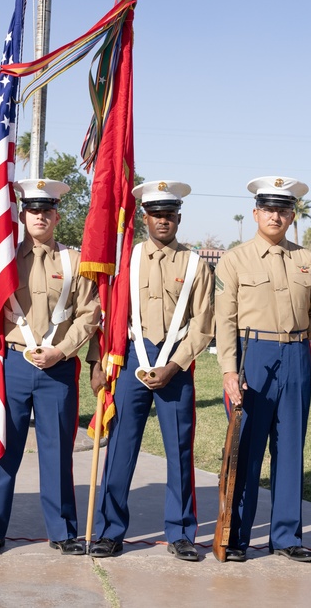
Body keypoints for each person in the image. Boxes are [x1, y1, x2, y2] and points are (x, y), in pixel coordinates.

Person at [87, 181, 214, 560]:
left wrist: (175, 365)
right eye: (156, 214)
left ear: (178, 217)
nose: (163, 221)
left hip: (176, 363)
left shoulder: (196, 265)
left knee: (179, 451)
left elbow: (204, 324)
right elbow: (103, 314)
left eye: (170, 215)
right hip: (129, 361)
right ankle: (110, 531)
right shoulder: (126, 259)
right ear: (144, 218)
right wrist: (97, 362)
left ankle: (181, 533)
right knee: (121, 449)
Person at [0, 179, 99, 556]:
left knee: (57, 451)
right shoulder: (4, 260)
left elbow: (89, 313)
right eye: (32, 210)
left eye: (47, 210)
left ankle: (62, 532)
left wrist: (61, 351)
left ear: (57, 216)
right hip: (11, 364)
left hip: (57, 370)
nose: (39, 216)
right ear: (22, 215)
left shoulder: (73, 262)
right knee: (1, 449)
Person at [214, 176, 311, 563]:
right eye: (269, 209)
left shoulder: (307, 260)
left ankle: (286, 537)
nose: (276, 216)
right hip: (253, 357)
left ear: (292, 214)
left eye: (283, 209)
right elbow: (224, 320)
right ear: (256, 213)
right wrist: (230, 370)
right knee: (245, 448)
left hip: (296, 354)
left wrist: (298, 339)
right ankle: (236, 537)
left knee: (290, 446)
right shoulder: (235, 259)